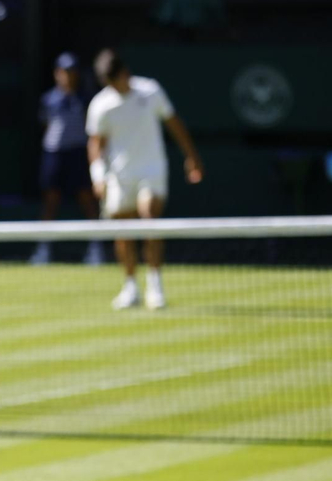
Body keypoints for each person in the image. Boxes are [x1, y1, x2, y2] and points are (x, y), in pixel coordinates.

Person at [86, 48, 203, 311]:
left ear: (125, 73)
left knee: (149, 217)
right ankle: (130, 287)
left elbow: (174, 123)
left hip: (151, 170)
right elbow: (96, 144)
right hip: (120, 176)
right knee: (124, 233)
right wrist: (98, 176)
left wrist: (191, 156)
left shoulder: (150, 91)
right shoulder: (101, 105)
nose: (116, 86)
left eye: (117, 79)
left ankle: (155, 285)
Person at [31, 54, 103, 266]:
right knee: (50, 202)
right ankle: (43, 249)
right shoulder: (48, 100)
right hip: (54, 155)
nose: (68, 76)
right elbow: (45, 127)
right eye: (63, 71)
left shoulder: (86, 99)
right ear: (56, 73)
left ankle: (95, 248)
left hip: (79, 154)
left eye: (71, 71)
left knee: (88, 201)